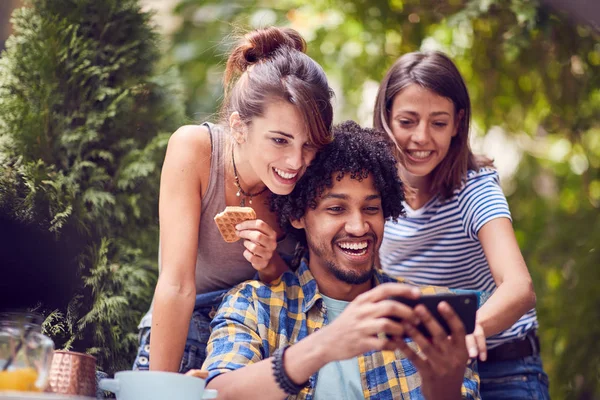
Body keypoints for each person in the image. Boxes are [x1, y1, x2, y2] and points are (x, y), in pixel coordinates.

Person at [202, 121, 480, 400]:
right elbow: (215, 394)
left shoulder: (432, 316)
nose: (359, 227)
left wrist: (443, 391)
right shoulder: (253, 305)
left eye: (371, 208)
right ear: (298, 215)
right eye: (336, 209)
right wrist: (324, 344)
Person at [133, 26, 334, 373]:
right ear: (240, 128)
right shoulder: (195, 150)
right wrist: (161, 385)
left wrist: (269, 262)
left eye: (309, 144)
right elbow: (177, 284)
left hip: (265, 341)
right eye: (280, 140)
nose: (295, 162)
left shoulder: (313, 176)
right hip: (185, 333)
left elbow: (306, 292)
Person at [373, 51, 549, 399]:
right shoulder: (374, 192)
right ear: (386, 118)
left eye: (438, 123)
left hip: (503, 368)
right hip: (423, 371)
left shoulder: (475, 188)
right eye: (407, 121)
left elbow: (518, 286)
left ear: (457, 123)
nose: (421, 137)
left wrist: (467, 334)